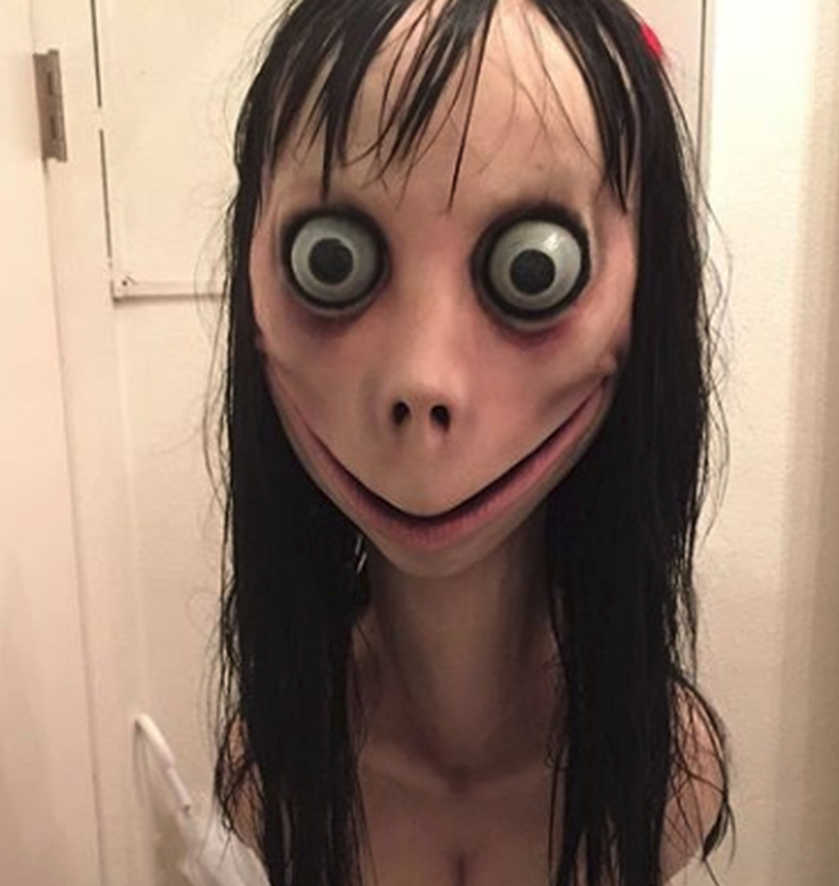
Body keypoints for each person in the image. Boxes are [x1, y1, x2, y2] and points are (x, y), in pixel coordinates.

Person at [212, 1, 733, 884]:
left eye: (534, 269)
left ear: (646, 288)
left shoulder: (668, 772)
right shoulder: (275, 768)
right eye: (330, 261)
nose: (424, 381)